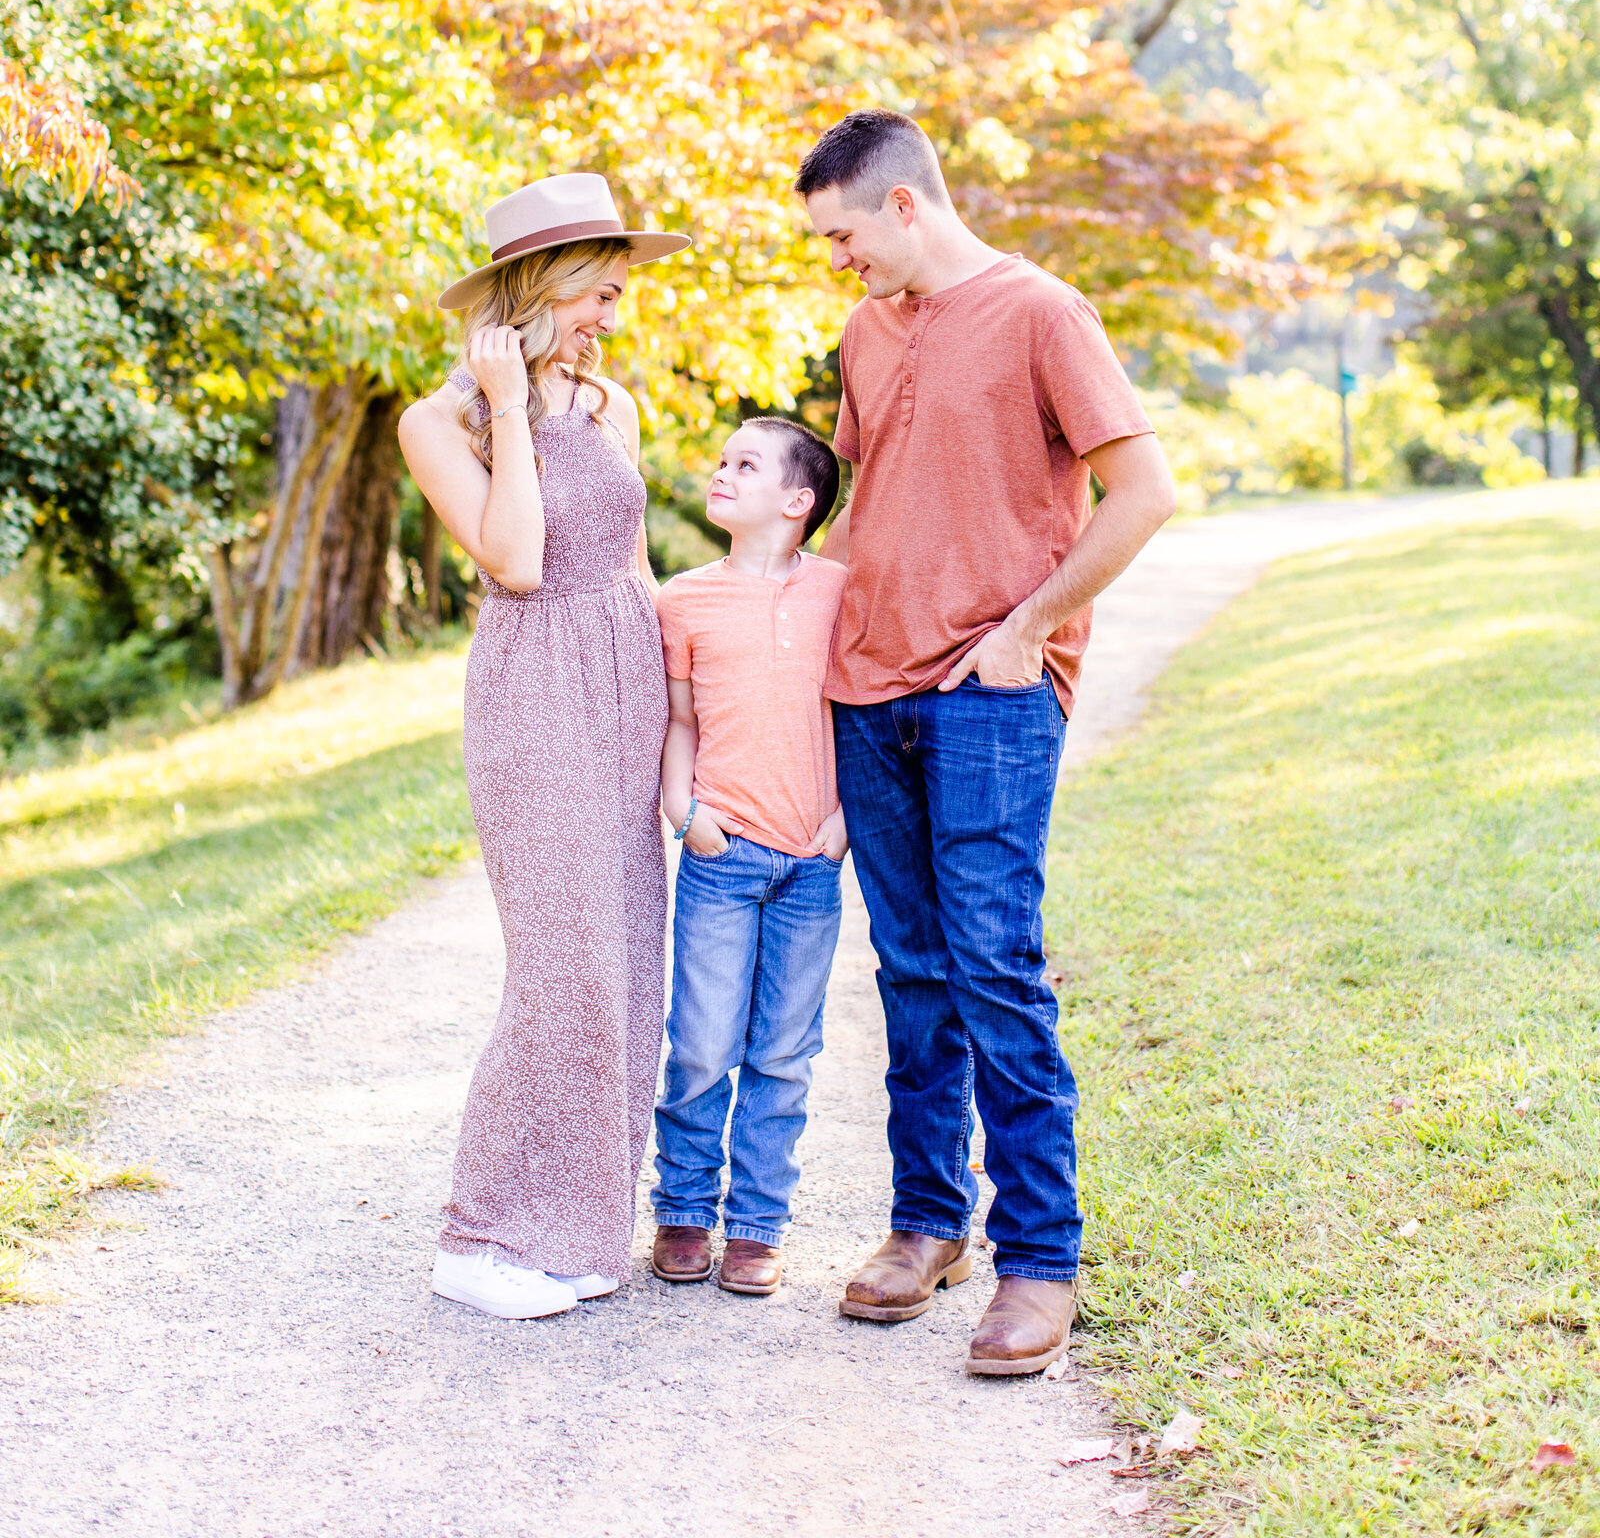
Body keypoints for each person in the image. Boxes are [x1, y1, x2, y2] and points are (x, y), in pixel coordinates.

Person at [796, 108, 1177, 1377]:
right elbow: (861, 511)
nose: (835, 260)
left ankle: (1040, 1258)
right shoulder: (864, 328)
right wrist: (786, 635)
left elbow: (1147, 492)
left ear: (905, 204)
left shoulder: (1041, 314)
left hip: (989, 691)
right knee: (908, 972)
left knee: (994, 966)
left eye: (842, 234)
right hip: (867, 690)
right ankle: (924, 1225)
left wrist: (1029, 629)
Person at [398, 171, 689, 1322]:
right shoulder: (439, 422)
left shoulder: (615, 406)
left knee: (624, 960)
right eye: (595, 295)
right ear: (537, 287)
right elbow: (517, 560)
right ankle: (478, 1235)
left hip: (625, 683)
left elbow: (636, 566)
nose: (610, 318)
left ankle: (575, 1230)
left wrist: (687, 718)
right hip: (533, 688)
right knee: (560, 963)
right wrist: (509, 403)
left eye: (617, 296)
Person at [650, 418, 849, 1297]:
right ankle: (685, 1209)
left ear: (798, 502)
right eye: (722, 461)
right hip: (720, 854)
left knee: (783, 1053)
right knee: (699, 1042)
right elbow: (681, 720)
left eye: (745, 464)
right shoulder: (683, 599)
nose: (721, 473)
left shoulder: (843, 592)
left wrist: (843, 822)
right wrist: (682, 808)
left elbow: (860, 716)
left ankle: (758, 1225)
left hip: (813, 862)